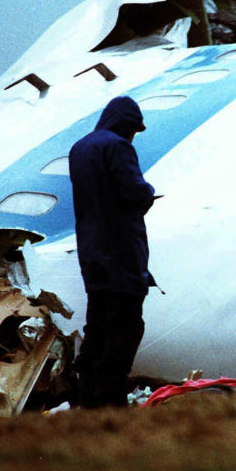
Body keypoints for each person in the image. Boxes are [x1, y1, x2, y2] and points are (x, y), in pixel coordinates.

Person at [69, 96, 156, 408]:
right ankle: (111, 400)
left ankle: (87, 399)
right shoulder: (118, 146)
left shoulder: (79, 148)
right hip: (120, 252)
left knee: (97, 325)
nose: (133, 135)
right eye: (133, 129)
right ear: (125, 124)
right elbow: (133, 190)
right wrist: (148, 192)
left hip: (91, 252)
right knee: (126, 325)